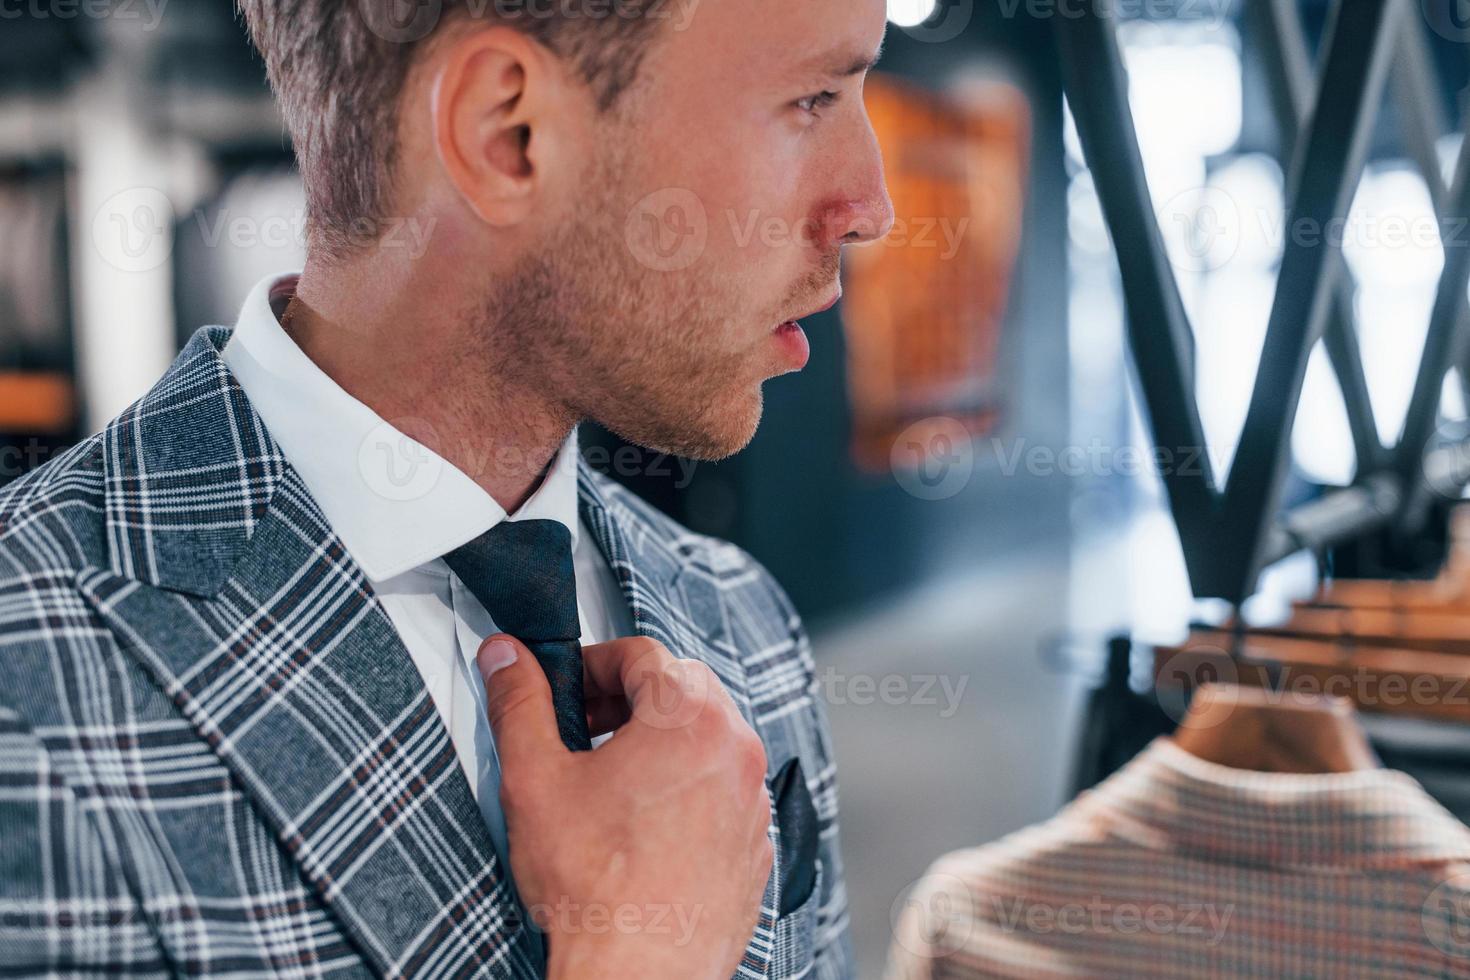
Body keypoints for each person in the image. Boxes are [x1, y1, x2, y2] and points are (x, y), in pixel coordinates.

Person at [0, 0, 893, 977]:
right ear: (506, 135)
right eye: (809, 98)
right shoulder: (30, 688)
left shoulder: (742, 619)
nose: (870, 204)